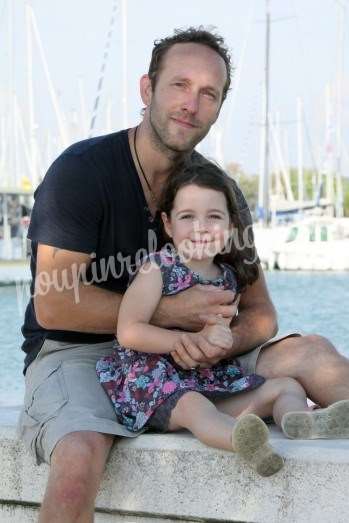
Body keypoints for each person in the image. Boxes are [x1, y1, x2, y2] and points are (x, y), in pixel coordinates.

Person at [17, 26, 349, 522]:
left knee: (315, 354)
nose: (191, 104)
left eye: (208, 94)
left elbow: (260, 316)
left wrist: (214, 340)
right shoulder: (81, 173)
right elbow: (55, 303)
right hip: (82, 353)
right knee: (81, 451)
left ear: (217, 108)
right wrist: (171, 317)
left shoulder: (220, 194)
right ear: (147, 89)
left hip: (195, 358)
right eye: (179, 85)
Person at [96, 161, 318, 477]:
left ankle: (300, 421)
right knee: (194, 407)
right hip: (156, 386)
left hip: (206, 379)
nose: (201, 227)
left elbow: (220, 329)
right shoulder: (157, 268)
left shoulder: (228, 276)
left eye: (214, 217)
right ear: (168, 224)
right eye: (188, 217)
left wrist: (221, 338)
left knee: (286, 385)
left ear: (229, 226)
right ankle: (242, 441)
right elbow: (129, 330)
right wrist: (185, 341)